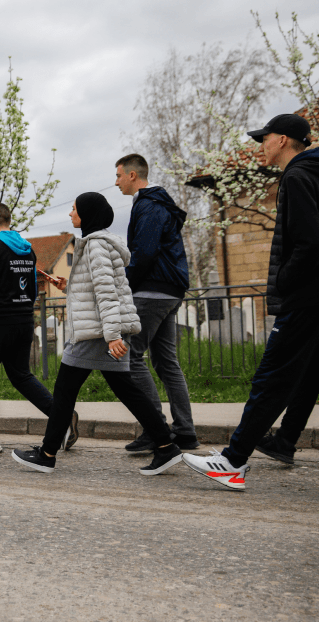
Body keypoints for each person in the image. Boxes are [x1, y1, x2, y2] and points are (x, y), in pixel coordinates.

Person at [183, 114, 319, 490]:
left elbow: (309, 242)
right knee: (304, 377)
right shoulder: (312, 172)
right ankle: (278, 444)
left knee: (271, 378)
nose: (262, 144)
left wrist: (285, 280)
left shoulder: (296, 176)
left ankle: (232, 461)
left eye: (266, 137)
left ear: (284, 140)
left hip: (304, 298)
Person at [10, 193, 184, 476]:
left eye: (74, 208)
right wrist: (69, 285)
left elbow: (107, 293)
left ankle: (46, 454)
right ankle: (165, 446)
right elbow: (95, 289)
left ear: (87, 214)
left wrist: (113, 335)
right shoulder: (102, 244)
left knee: (65, 391)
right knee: (126, 390)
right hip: (102, 331)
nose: (70, 214)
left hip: (97, 334)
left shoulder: (95, 247)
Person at [0, 203, 77, 454]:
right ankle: (62, 417)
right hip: (24, 320)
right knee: (20, 375)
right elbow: (31, 287)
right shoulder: (27, 248)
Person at [114, 153, 199, 452]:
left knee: (131, 357)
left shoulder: (149, 205)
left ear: (133, 175)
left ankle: (155, 430)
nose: (116, 182)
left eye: (119, 176)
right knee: (166, 362)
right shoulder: (159, 203)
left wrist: (125, 285)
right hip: (170, 291)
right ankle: (185, 432)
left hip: (152, 290)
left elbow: (144, 253)